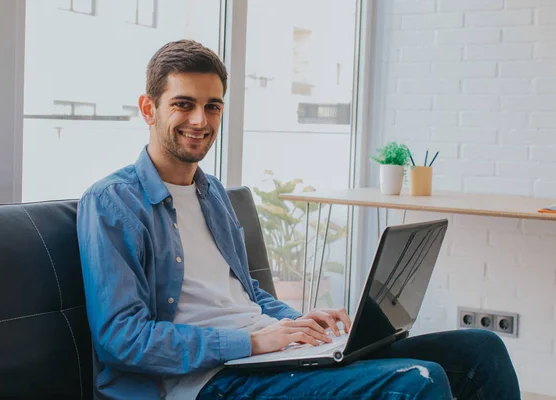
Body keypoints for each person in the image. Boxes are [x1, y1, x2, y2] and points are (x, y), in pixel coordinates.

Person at [77, 39, 521, 400]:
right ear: (148, 108)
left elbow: (245, 295)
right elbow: (122, 339)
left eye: (213, 106)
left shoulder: (211, 194)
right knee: (417, 379)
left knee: (482, 348)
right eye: (183, 104)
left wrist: (302, 326)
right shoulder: (113, 202)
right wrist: (253, 343)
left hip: (262, 359)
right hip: (207, 380)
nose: (200, 119)